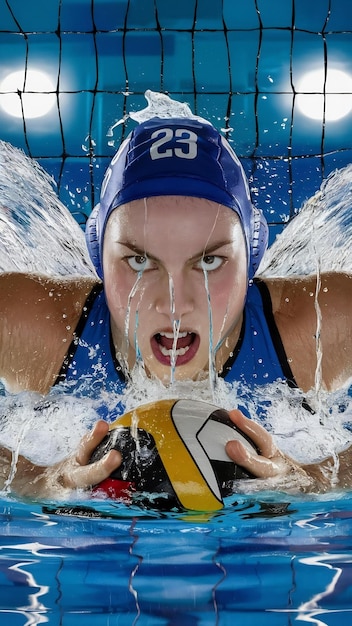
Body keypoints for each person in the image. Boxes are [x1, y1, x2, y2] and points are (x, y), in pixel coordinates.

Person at [0, 115, 351, 499]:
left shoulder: (318, 323)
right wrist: (39, 480)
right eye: (138, 262)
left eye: (209, 262)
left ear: (251, 258)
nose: (174, 304)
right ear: (98, 256)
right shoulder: (34, 325)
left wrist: (313, 479)